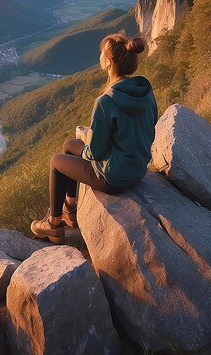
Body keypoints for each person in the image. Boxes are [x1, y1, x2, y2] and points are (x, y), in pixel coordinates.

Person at [31, 32, 158, 243]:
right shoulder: (144, 91)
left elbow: (95, 153)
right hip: (137, 168)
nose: (98, 55)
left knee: (56, 161)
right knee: (69, 145)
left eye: (101, 53)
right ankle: (70, 210)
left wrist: (88, 140)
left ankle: (53, 225)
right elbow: (145, 126)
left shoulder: (105, 102)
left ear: (108, 62)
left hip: (114, 178)